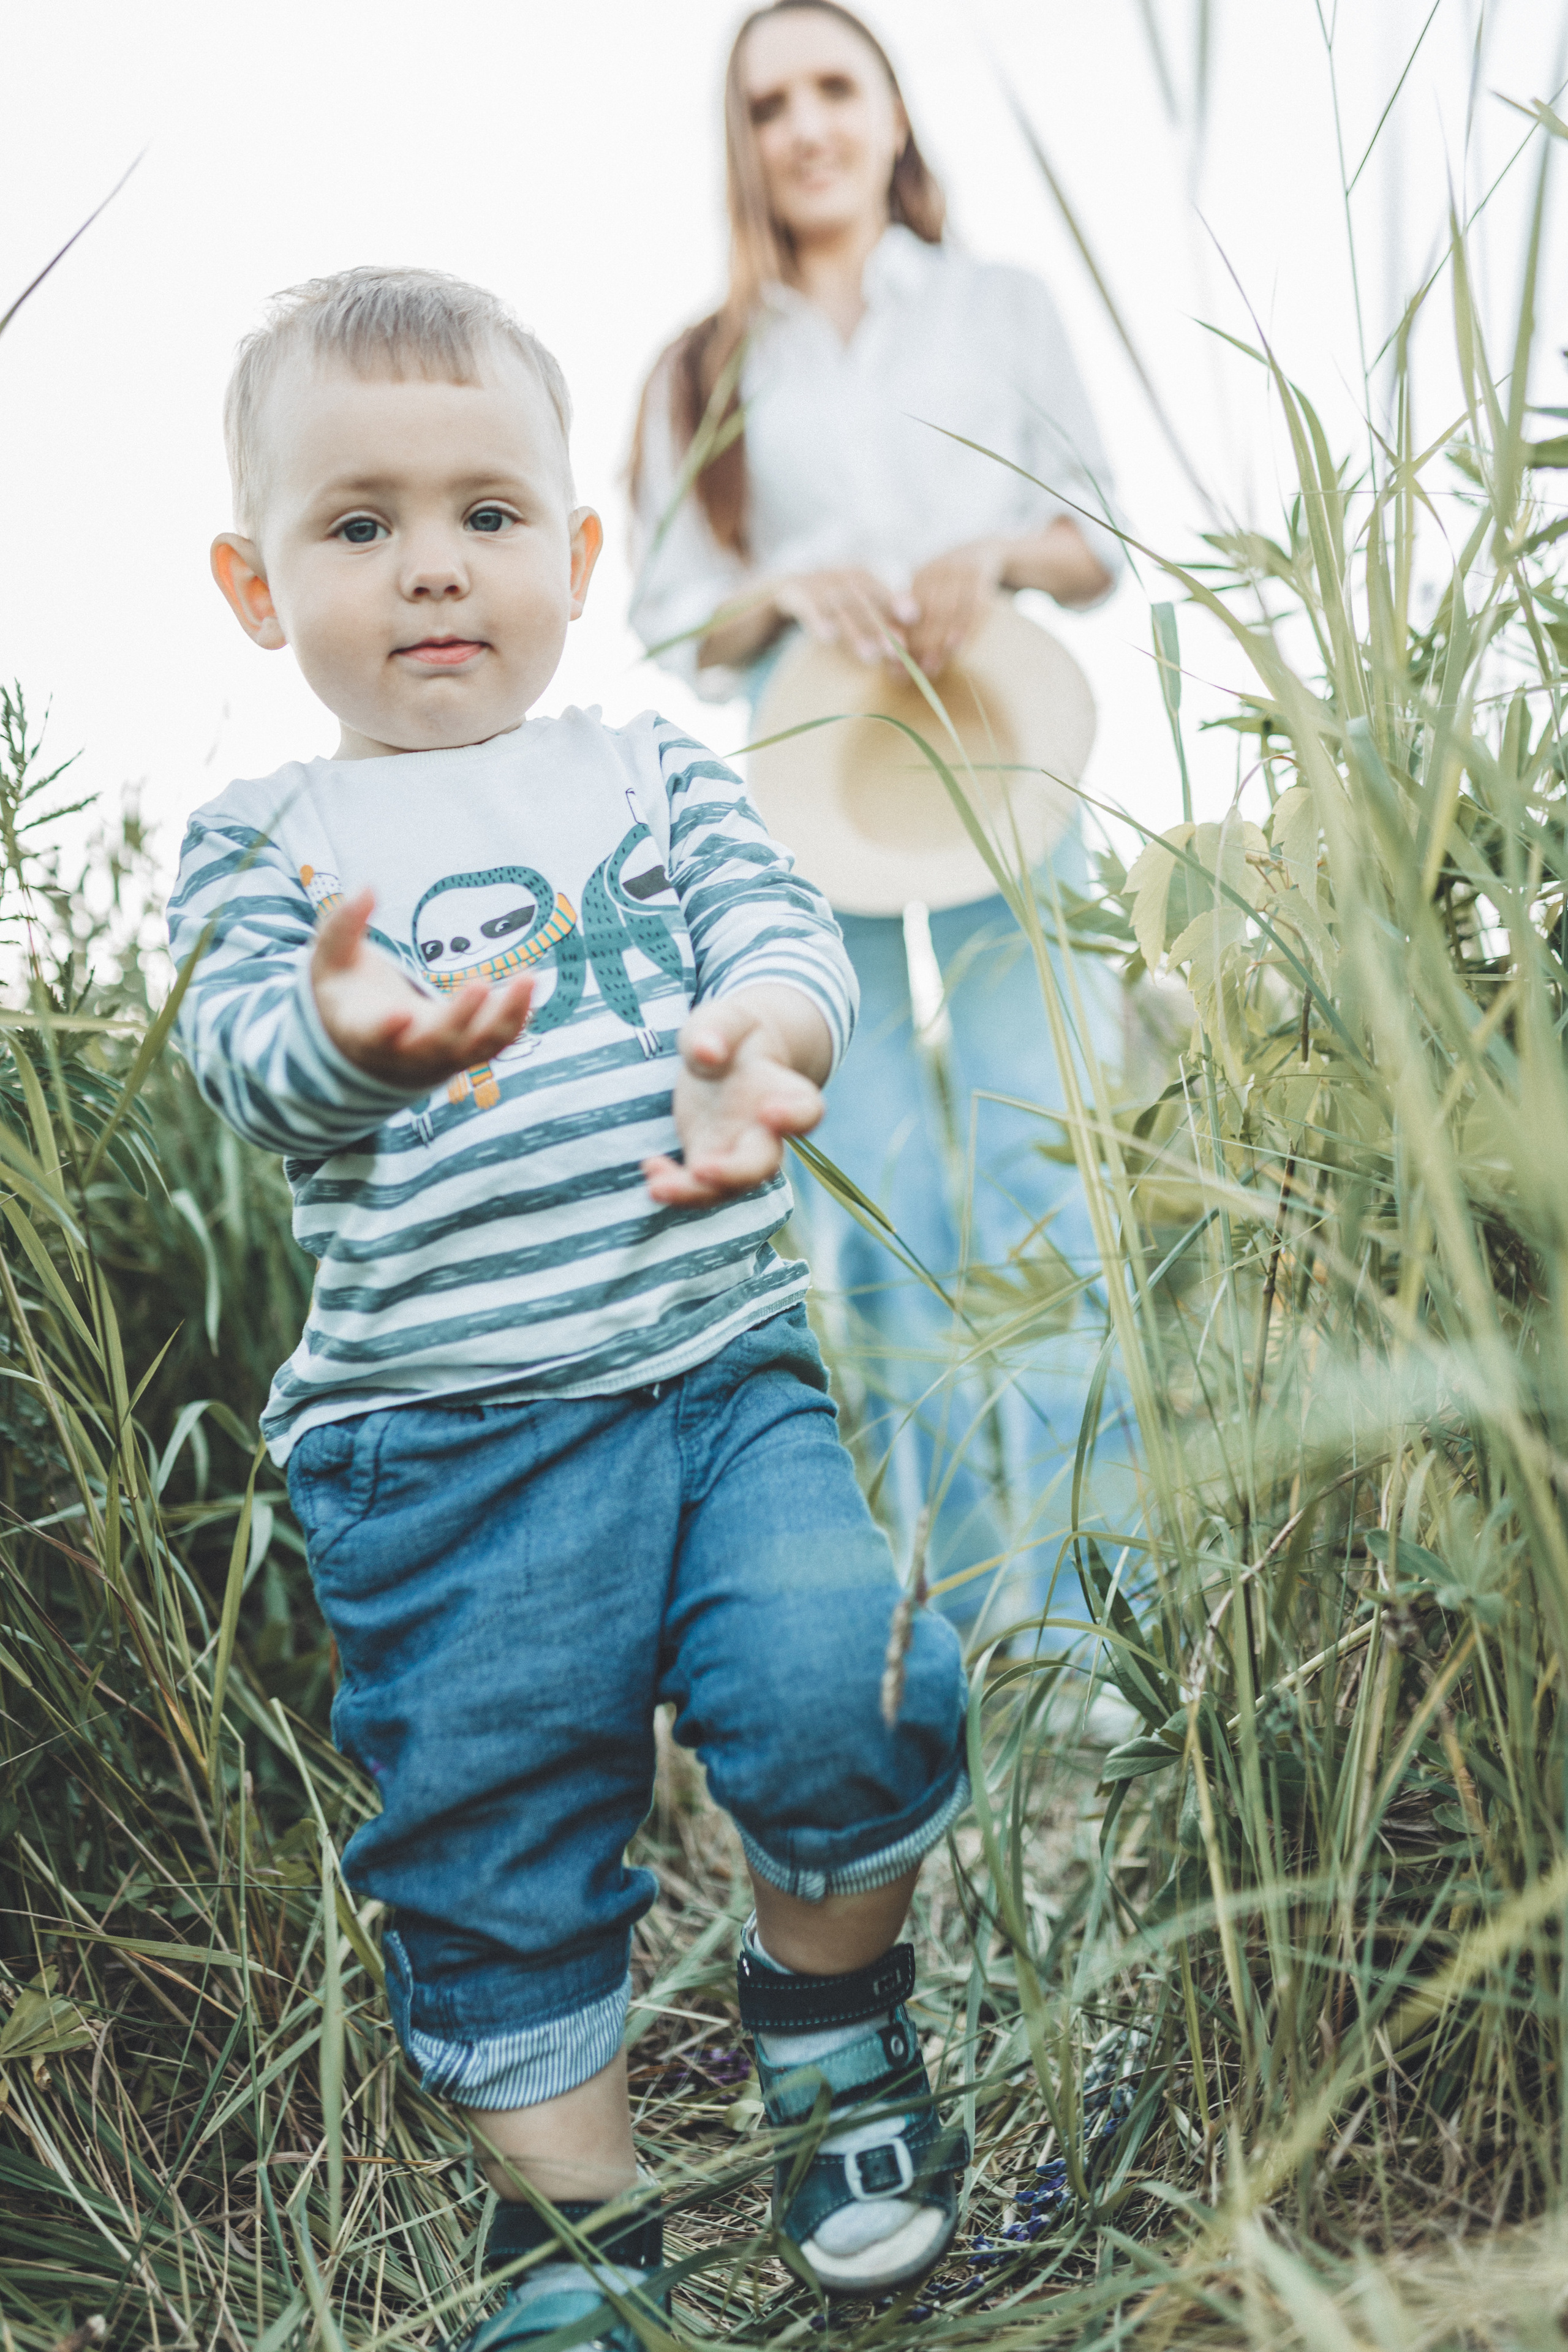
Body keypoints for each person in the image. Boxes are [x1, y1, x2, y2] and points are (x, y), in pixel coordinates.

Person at [169, 268, 971, 2347]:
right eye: (359, 527)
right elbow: (247, 1054)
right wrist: (354, 1038)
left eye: (486, 515)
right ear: (262, 588)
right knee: (498, 1837)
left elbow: (784, 931)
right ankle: (579, 2237)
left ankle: (831, 2023)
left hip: (715, 1373)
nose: (431, 565)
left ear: (577, 552)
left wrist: (767, 1040)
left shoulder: (651, 768)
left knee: (846, 1684)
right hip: (438, 1448)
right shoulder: (269, 841)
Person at [630, 0, 1129, 1643]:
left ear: (895, 114)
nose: (807, 126)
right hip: (810, 808)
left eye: (836, 87)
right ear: (740, 138)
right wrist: (784, 581)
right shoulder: (701, 365)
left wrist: (991, 553)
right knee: (880, 1202)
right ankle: (964, 1606)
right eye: (769, 102)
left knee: (1044, 1168)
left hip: (996, 774)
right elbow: (672, 620)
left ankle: (1096, 1625)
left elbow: (1097, 534)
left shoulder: (998, 304)